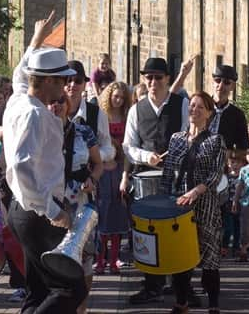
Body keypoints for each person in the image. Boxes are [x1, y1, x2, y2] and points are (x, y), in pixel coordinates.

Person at [3, 11, 87, 313]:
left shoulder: (20, 99)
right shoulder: (34, 113)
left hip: (26, 210)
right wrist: (54, 211)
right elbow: (21, 168)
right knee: (70, 288)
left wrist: (36, 41)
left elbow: (20, 72)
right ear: (48, 80)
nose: (66, 86)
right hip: (36, 213)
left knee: (38, 292)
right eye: (62, 79)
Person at [123, 57, 189, 304]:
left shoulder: (181, 105)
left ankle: (181, 287)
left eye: (157, 77)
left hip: (176, 178)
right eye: (148, 77)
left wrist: (174, 153)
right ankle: (152, 285)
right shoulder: (135, 109)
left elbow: (187, 136)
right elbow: (128, 146)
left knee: (177, 229)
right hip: (146, 178)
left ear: (167, 80)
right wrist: (145, 156)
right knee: (147, 232)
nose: (152, 82)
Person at [160, 91, 226, 314]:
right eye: (192, 106)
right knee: (181, 257)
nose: (194, 110)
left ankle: (214, 304)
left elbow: (215, 175)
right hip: (179, 205)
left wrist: (196, 192)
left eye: (200, 107)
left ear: (208, 113)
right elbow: (168, 173)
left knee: (209, 259)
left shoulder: (216, 141)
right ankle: (181, 302)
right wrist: (163, 201)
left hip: (205, 204)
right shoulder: (177, 139)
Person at [49, 93, 104, 314]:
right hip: (51, 204)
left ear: (68, 104)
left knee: (84, 257)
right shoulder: (40, 133)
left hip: (80, 201)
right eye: (52, 100)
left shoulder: (84, 132)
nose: (56, 105)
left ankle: (81, 309)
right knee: (52, 256)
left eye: (61, 100)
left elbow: (98, 164)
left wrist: (92, 179)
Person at [96, 82, 131, 275]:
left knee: (117, 213)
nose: (118, 100)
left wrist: (124, 172)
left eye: (121, 98)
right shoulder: (102, 116)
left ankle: (114, 260)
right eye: (115, 96)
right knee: (103, 212)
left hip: (118, 168)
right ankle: (101, 259)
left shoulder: (126, 117)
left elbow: (126, 148)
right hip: (103, 168)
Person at [64, 60, 115, 165]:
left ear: (84, 85)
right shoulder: (52, 111)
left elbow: (108, 148)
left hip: (88, 177)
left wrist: (91, 155)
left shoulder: (98, 114)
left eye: (78, 81)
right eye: (68, 80)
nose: (73, 84)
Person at [221, 150, 242, 257]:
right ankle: (224, 246)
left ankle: (236, 247)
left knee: (238, 227)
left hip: (240, 205)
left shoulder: (242, 176)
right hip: (227, 205)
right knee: (228, 227)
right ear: (228, 163)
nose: (235, 165)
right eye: (233, 162)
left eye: (238, 162)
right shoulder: (226, 176)